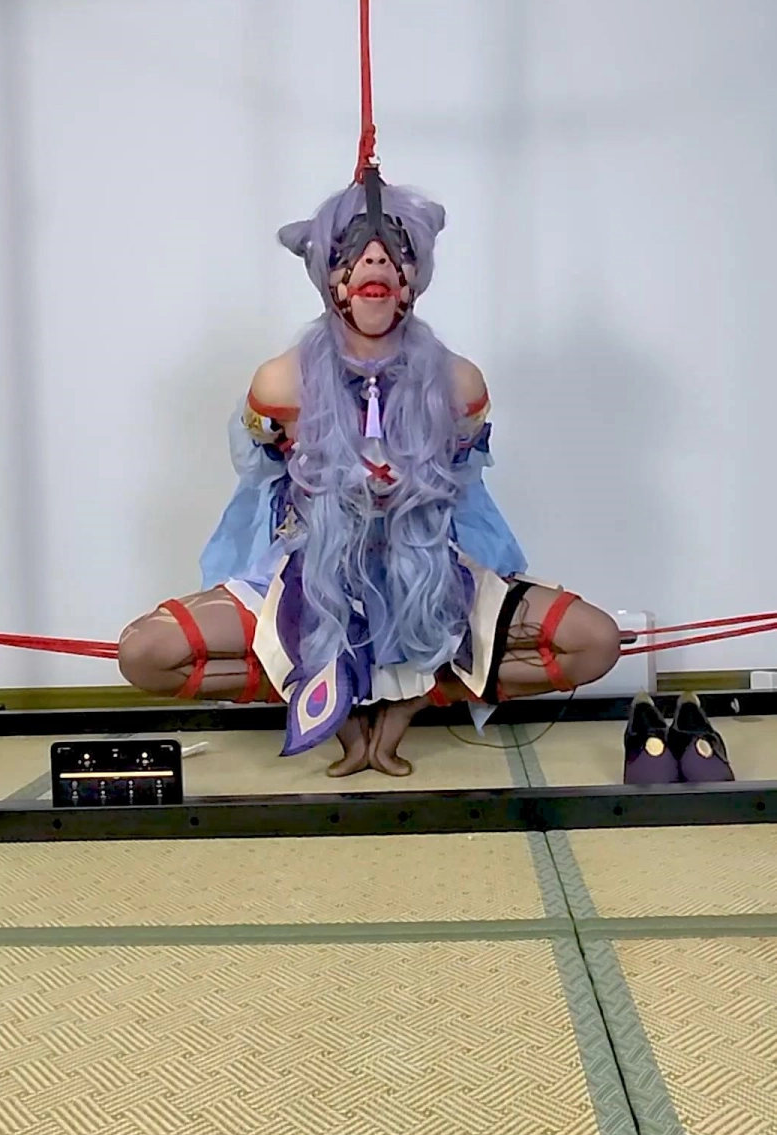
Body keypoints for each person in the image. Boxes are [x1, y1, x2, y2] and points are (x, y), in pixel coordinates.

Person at [118, 170, 620, 776]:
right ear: (325, 272)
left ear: (416, 272)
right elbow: (257, 478)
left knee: (596, 641)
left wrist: (417, 682)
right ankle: (318, 689)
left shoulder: (459, 383)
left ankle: (421, 688)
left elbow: (467, 490)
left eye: (396, 248)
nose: (375, 259)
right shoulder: (281, 383)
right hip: (308, 576)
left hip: (432, 577)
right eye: (349, 250)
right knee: (146, 653)